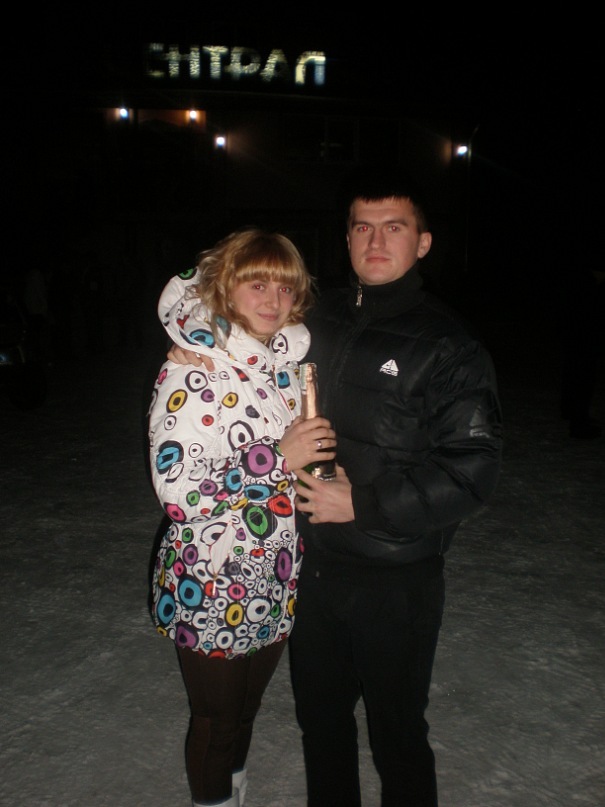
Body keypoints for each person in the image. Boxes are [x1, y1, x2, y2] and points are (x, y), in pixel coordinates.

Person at [166, 167, 503, 807]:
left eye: (394, 228)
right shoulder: (310, 324)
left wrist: (365, 503)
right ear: (346, 238)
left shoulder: (449, 344)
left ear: (423, 243)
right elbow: (213, 292)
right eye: (362, 228)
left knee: (397, 735)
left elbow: (473, 469)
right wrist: (194, 341)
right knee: (320, 727)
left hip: (395, 578)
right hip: (312, 571)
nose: (376, 242)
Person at [148, 227, 336, 807]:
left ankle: (234, 791)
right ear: (226, 287)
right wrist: (279, 458)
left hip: (274, 574)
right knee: (216, 719)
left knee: (247, 711)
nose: (273, 299)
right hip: (211, 576)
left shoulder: (285, 368)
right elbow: (180, 494)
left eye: (285, 287)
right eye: (257, 284)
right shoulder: (192, 371)